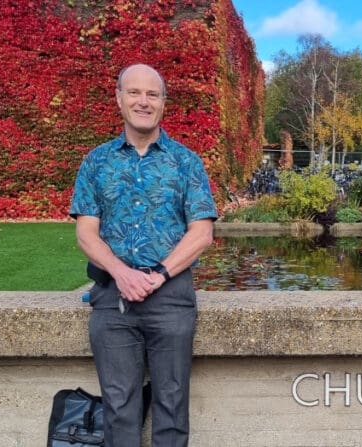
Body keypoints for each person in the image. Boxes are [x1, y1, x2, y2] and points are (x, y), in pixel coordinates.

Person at [69, 63, 217, 446]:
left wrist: (159, 275)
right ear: (119, 99)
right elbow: (86, 233)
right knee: (119, 408)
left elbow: (201, 233)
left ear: (163, 104)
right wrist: (122, 274)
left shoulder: (185, 162)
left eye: (152, 94)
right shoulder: (96, 162)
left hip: (170, 298)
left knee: (172, 404)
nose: (143, 101)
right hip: (113, 300)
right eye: (134, 92)